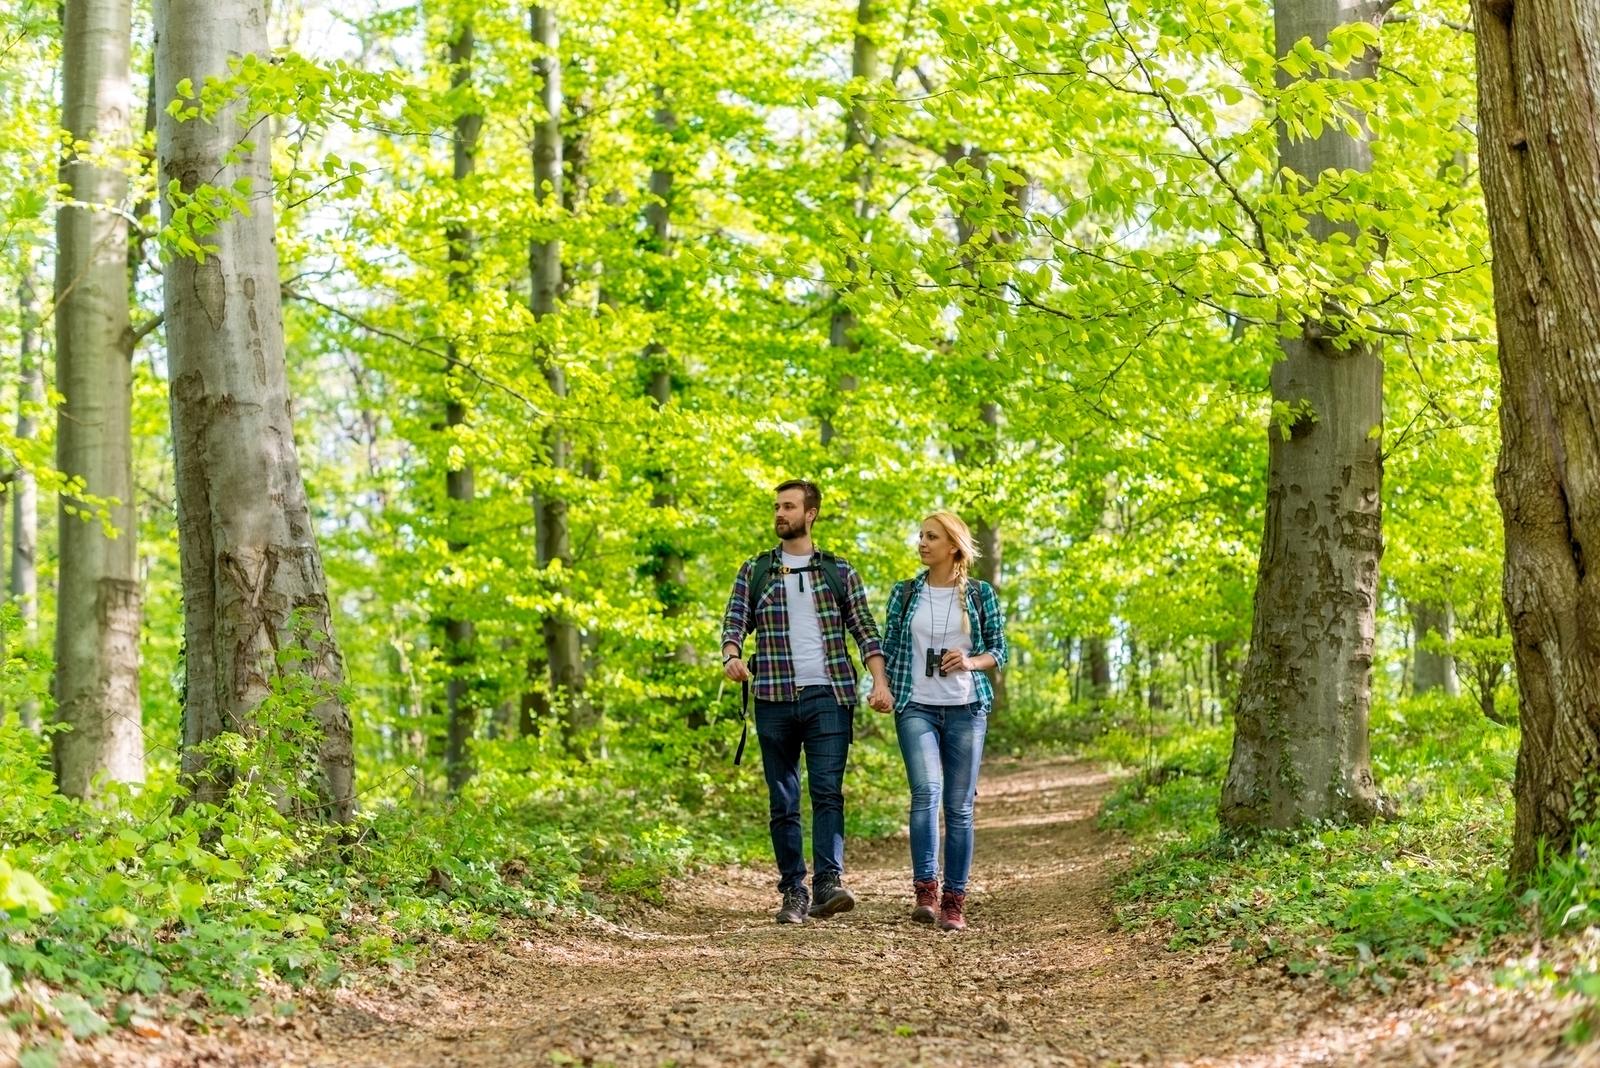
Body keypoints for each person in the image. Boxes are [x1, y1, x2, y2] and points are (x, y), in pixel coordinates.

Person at [721, 480, 893, 925]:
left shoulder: (839, 571)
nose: (780, 513)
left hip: (830, 695)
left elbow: (865, 630)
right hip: (773, 697)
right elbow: (734, 620)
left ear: (810, 514)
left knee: (827, 793)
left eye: (789, 506)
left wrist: (879, 683)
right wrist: (732, 656)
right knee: (783, 799)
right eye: (777, 506)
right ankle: (792, 891)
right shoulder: (755, 570)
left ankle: (828, 885)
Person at [879, 511, 1008, 932]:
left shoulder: (979, 594)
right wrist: (880, 687)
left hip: (966, 709)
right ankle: (926, 892)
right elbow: (887, 646)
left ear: (953, 545)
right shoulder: (904, 593)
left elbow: (999, 652)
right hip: (915, 705)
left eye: (931, 537)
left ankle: (955, 899)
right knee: (926, 793)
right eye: (920, 535)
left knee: (959, 807)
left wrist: (970, 661)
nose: (921, 543)